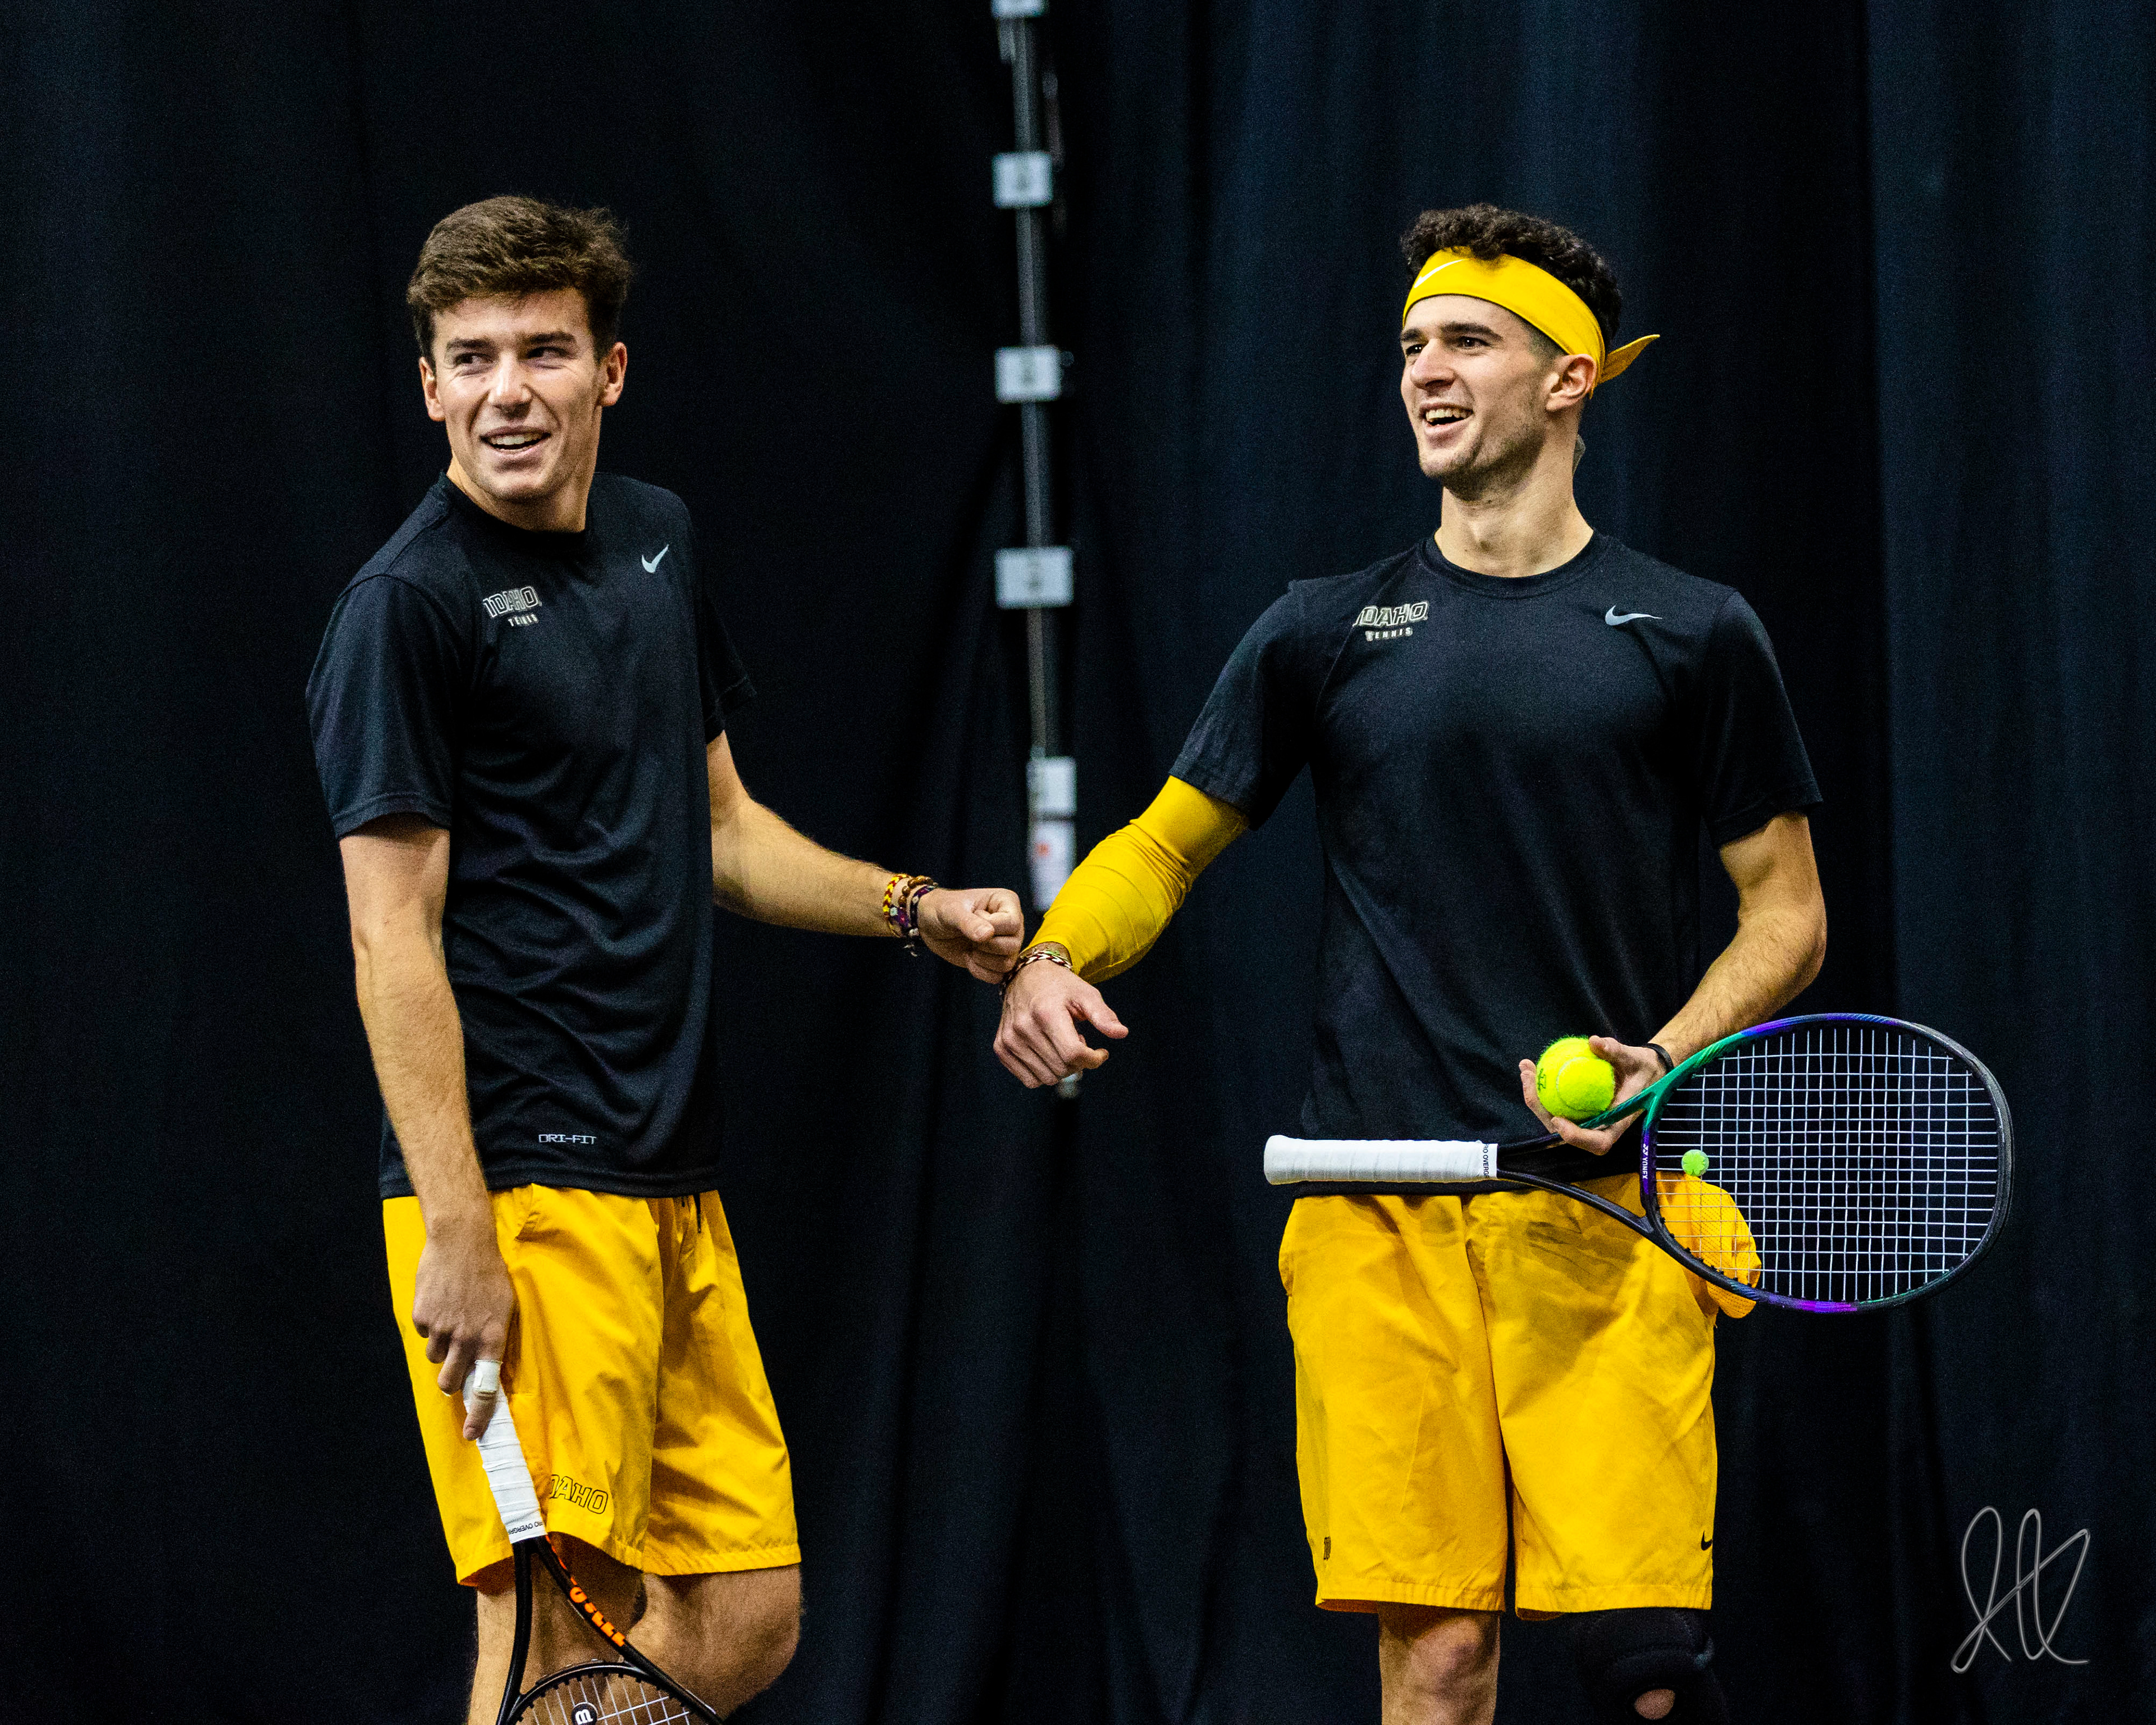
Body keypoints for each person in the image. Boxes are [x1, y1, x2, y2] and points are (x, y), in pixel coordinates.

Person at [993, 203, 1827, 1725]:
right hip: (1379, 1209)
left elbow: (1787, 914)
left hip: (1613, 1210)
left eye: (1467, 342)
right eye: (1410, 347)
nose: (1424, 374)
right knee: (1437, 1659)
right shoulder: (1325, 631)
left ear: (1572, 379)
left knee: (1647, 1676)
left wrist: (1668, 1050)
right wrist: (1054, 954)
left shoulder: (1696, 634)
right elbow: (1164, 846)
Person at [308, 195, 1021, 1720]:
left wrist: (916, 907)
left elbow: (723, 831)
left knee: (750, 1615)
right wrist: (457, 1226)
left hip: (670, 1178)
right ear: (428, 385)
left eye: (544, 351)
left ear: (608, 371)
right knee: (559, 1644)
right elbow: (390, 935)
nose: (510, 387)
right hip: (521, 1188)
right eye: (472, 357)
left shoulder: (655, 539)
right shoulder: (407, 609)